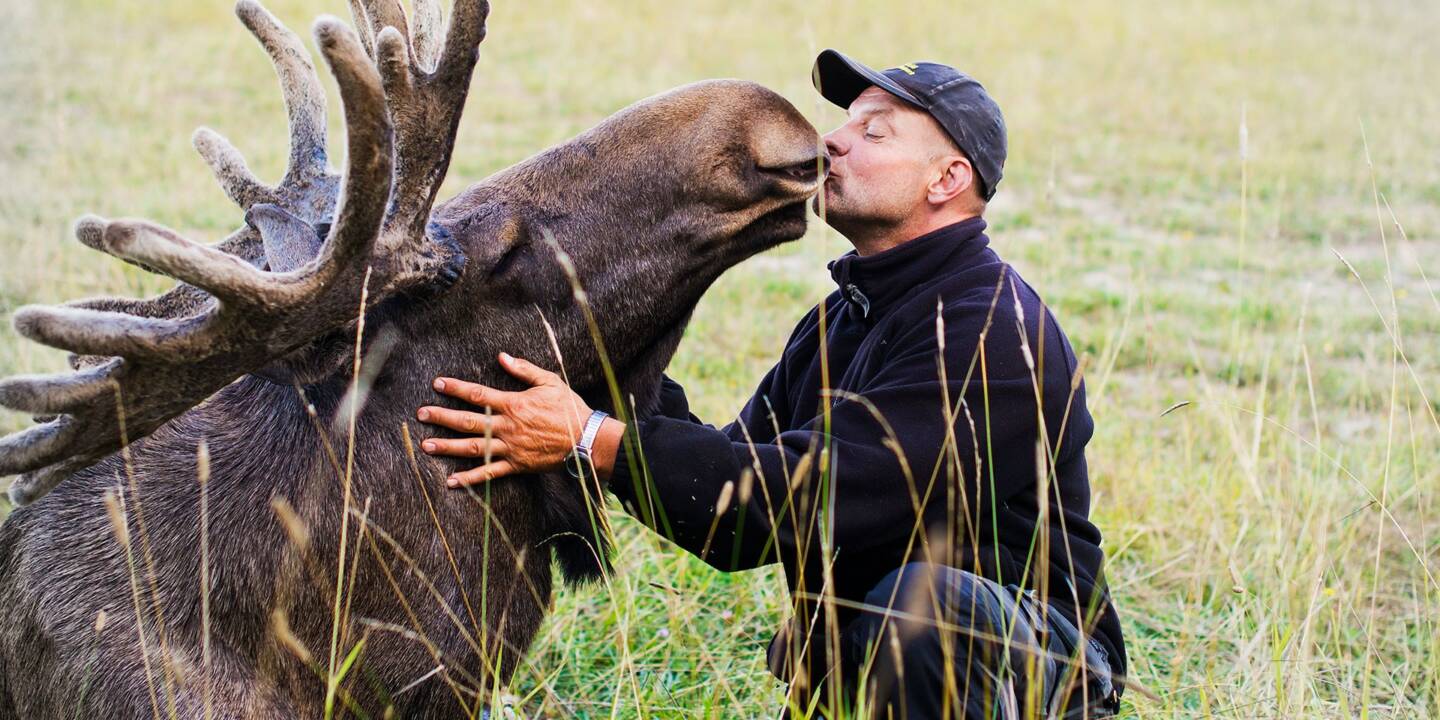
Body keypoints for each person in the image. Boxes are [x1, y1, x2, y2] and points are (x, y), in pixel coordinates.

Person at [415, 50, 1125, 719]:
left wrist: (590, 436)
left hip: (1034, 660)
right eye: (845, 122)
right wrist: (595, 360)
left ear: (946, 181)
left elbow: (802, 499)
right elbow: (733, 504)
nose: (833, 141)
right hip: (877, 657)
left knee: (928, 609)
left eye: (873, 132)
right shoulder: (842, 320)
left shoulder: (993, 333)